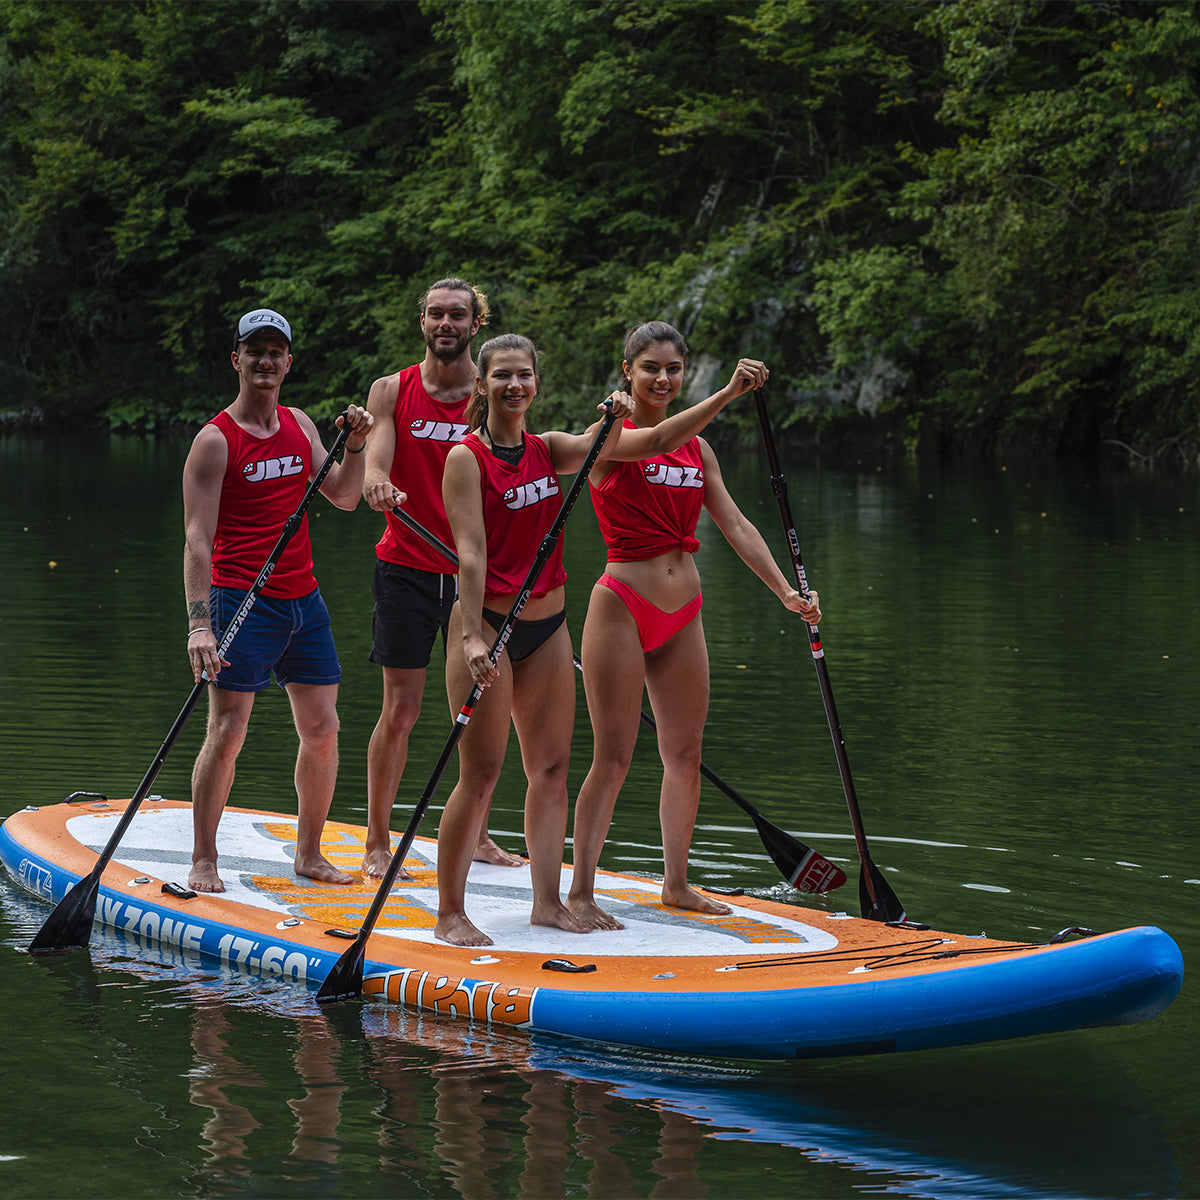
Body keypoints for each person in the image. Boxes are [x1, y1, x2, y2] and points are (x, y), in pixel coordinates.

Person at [436, 332, 760, 947]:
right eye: (502, 375)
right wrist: (474, 634)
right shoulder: (465, 458)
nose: (515, 386)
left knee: (552, 770)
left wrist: (609, 417)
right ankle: (450, 910)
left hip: (549, 626)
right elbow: (471, 554)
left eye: (525, 375)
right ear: (482, 385)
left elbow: (623, 443)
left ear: (536, 382)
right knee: (479, 774)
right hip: (488, 630)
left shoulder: (551, 448)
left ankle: (549, 903)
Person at [567, 321, 822, 930]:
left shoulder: (699, 450)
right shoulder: (608, 437)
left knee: (685, 751)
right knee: (615, 756)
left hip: (684, 613)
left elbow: (734, 524)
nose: (662, 378)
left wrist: (788, 592)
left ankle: (676, 884)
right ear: (627, 369)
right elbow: (651, 442)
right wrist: (730, 394)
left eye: (673, 368)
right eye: (649, 367)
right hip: (622, 605)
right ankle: (578, 892)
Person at [183, 307, 373, 894]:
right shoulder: (215, 441)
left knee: (323, 730)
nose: (266, 361)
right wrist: (199, 626)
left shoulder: (300, 425)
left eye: (276, 352)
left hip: (303, 601)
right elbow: (196, 539)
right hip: (240, 601)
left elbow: (343, 496)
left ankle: (310, 854)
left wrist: (360, 444)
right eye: (254, 351)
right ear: (236, 360)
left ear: (288, 362)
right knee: (228, 730)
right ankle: (204, 858)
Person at [359, 277, 522, 879]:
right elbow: (378, 450)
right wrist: (377, 477)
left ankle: (477, 837)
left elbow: (517, 459)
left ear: (475, 324)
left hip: (478, 581)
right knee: (401, 709)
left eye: (458, 315)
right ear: (422, 322)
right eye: (436, 314)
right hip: (405, 567)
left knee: (480, 712)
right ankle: (378, 841)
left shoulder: (493, 391)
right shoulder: (391, 389)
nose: (446, 323)